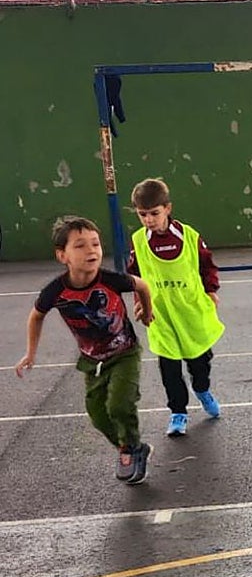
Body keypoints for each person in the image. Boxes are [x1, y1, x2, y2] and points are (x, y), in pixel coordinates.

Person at [15, 216, 155, 484]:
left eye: (95, 244)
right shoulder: (56, 291)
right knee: (99, 416)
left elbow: (143, 285)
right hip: (91, 361)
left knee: (119, 405)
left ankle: (131, 448)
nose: (91, 251)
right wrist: (31, 353)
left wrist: (147, 311)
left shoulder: (111, 280)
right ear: (62, 255)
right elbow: (36, 315)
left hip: (124, 353)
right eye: (80, 246)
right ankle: (130, 447)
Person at [128, 178, 224, 437]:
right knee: (169, 369)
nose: (149, 220)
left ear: (167, 209)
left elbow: (207, 266)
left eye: (154, 213)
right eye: (142, 215)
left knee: (200, 364)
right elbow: (134, 276)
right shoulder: (138, 242)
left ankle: (202, 389)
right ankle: (178, 412)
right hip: (161, 316)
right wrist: (140, 303)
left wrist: (211, 290)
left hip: (191, 313)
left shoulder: (189, 236)